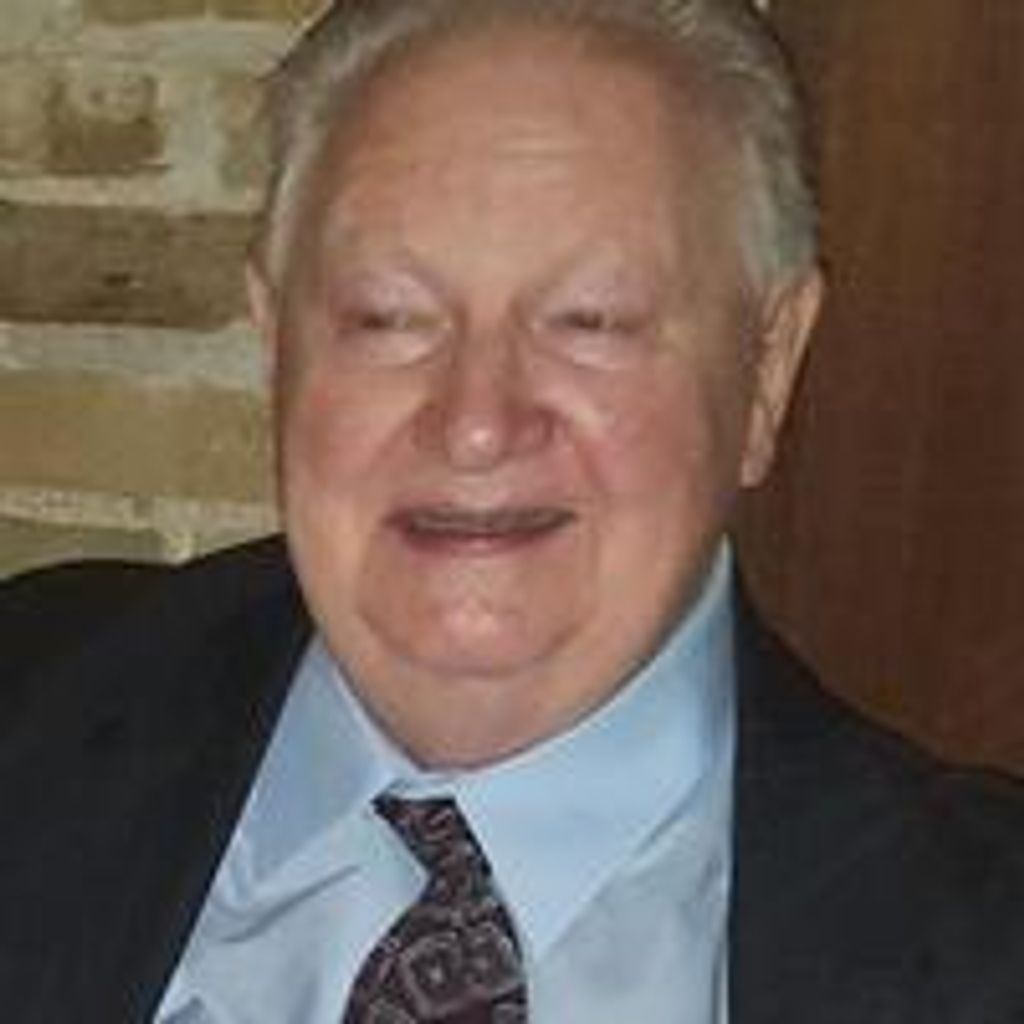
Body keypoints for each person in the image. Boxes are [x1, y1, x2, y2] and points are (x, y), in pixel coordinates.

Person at [2, 0, 1022, 1020]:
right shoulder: (32, 699)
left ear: (767, 368)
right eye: (386, 317)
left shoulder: (979, 944)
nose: (476, 424)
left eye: (592, 320)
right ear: (276, 344)